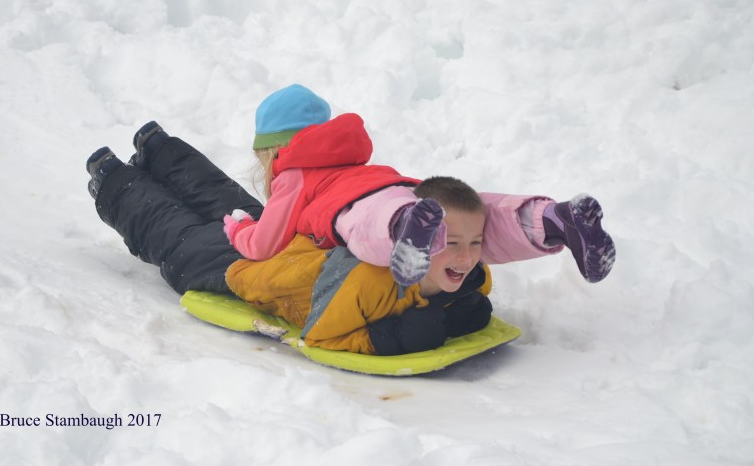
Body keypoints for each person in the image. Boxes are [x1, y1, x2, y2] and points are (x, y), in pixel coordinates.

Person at [85, 123, 616, 355]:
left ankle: (158, 146)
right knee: (174, 231)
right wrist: (397, 337)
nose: (465, 258)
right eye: (452, 245)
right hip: (250, 273)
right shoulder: (370, 277)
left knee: (236, 209)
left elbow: (466, 271)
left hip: (292, 246)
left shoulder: (460, 269)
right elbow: (320, 334)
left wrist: (460, 308)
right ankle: (114, 177)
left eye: (472, 246)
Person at [217, 83, 447, 288]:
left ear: (272, 150)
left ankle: (403, 226)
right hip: (396, 188)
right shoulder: (348, 160)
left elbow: (264, 245)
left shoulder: (295, 174)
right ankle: (448, 224)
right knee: (394, 212)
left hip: (356, 209)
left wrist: (240, 231)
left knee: (365, 227)